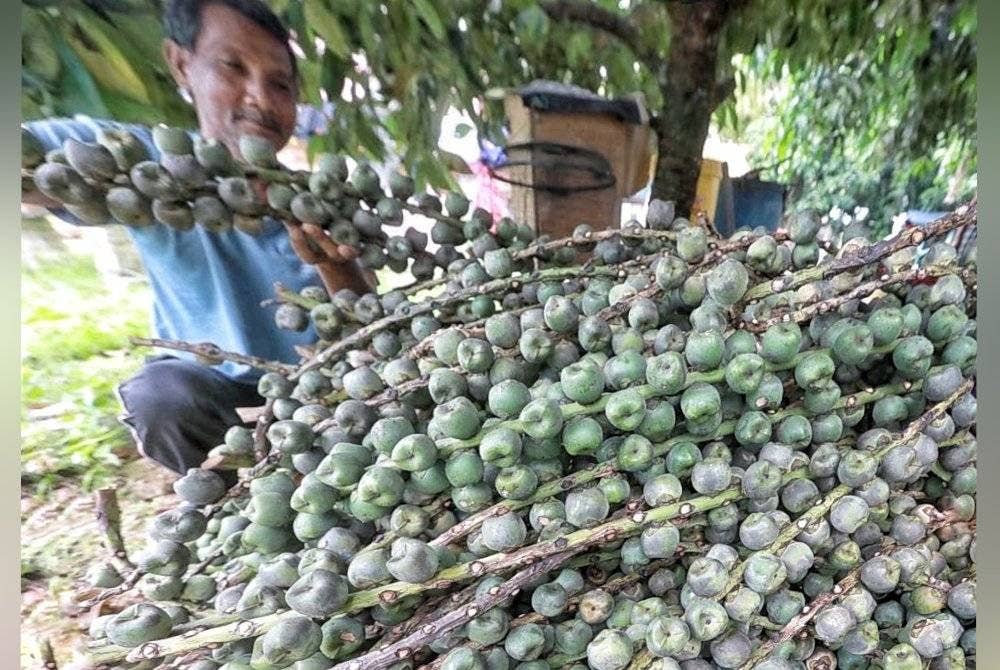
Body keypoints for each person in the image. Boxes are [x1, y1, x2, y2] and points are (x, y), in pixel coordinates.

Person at [21, 0, 371, 480]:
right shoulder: (145, 162)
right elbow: (35, 158)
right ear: (182, 64)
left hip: (312, 387)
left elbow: (370, 331)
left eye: (280, 84)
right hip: (211, 392)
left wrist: (335, 266)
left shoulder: (321, 205)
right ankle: (234, 495)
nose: (259, 98)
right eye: (233, 67)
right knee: (161, 397)